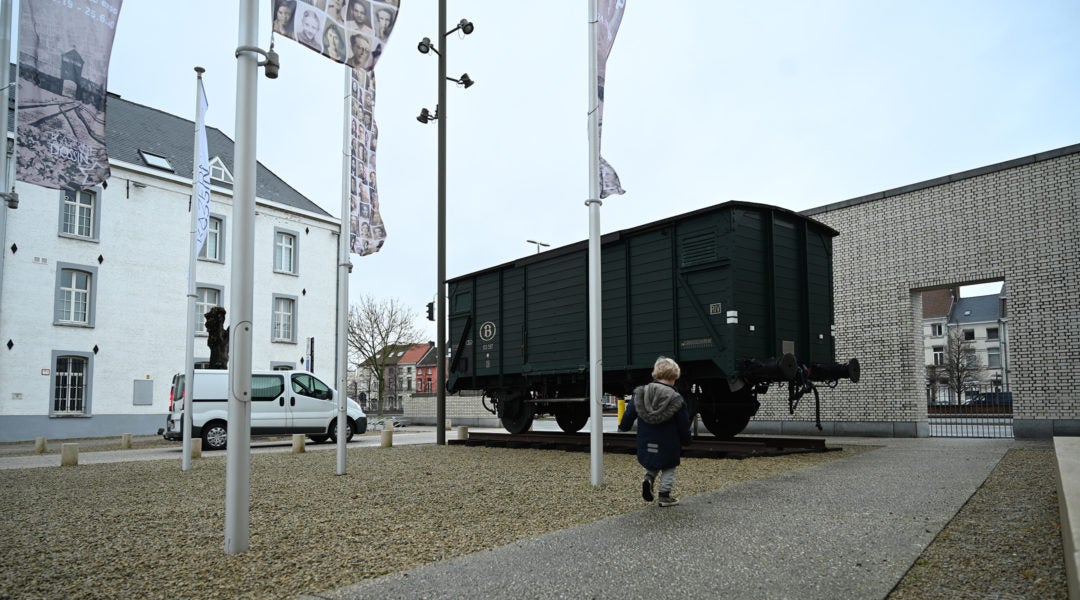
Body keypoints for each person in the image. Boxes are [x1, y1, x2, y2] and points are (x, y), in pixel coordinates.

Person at [618, 356, 692, 507]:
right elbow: (683, 424)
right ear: (675, 376)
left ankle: (648, 479)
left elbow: (629, 413)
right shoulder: (677, 399)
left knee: (652, 462)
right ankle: (664, 496)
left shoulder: (640, 393)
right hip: (668, 442)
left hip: (646, 440)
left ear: (656, 374)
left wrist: (623, 427)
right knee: (668, 467)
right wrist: (686, 440)